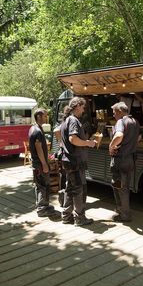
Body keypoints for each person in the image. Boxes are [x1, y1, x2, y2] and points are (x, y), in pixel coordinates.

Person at [60, 97, 97, 226]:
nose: (84, 109)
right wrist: (88, 143)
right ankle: (79, 218)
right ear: (76, 106)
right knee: (78, 189)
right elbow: (73, 139)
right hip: (75, 161)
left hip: (68, 160)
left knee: (70, 188)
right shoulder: (73, 120)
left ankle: (66, 216)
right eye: (82, 106)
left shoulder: (66, 120)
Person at [108, 102, 140, 222]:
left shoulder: (121, 121)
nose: (114, 115)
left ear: (120, 111)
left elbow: (119, 135)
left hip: (120, 160)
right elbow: (138, 138)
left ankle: (123, 214)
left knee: (119, 187)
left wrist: (111, 146)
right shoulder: (135, 122)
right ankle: (122, 211)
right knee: (124, 187)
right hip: (130, 160)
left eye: (114, 113)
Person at [28, 108, 61, 218]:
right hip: (39, 164)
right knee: (43, 185)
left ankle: (44, 206)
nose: (47, 117)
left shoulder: (33, 128)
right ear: (39, 117)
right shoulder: (37, 131)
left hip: (37, 164)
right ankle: (42, 208)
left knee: (40, 185)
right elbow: (38, 148)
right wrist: (44, 164)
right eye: (45, 116)